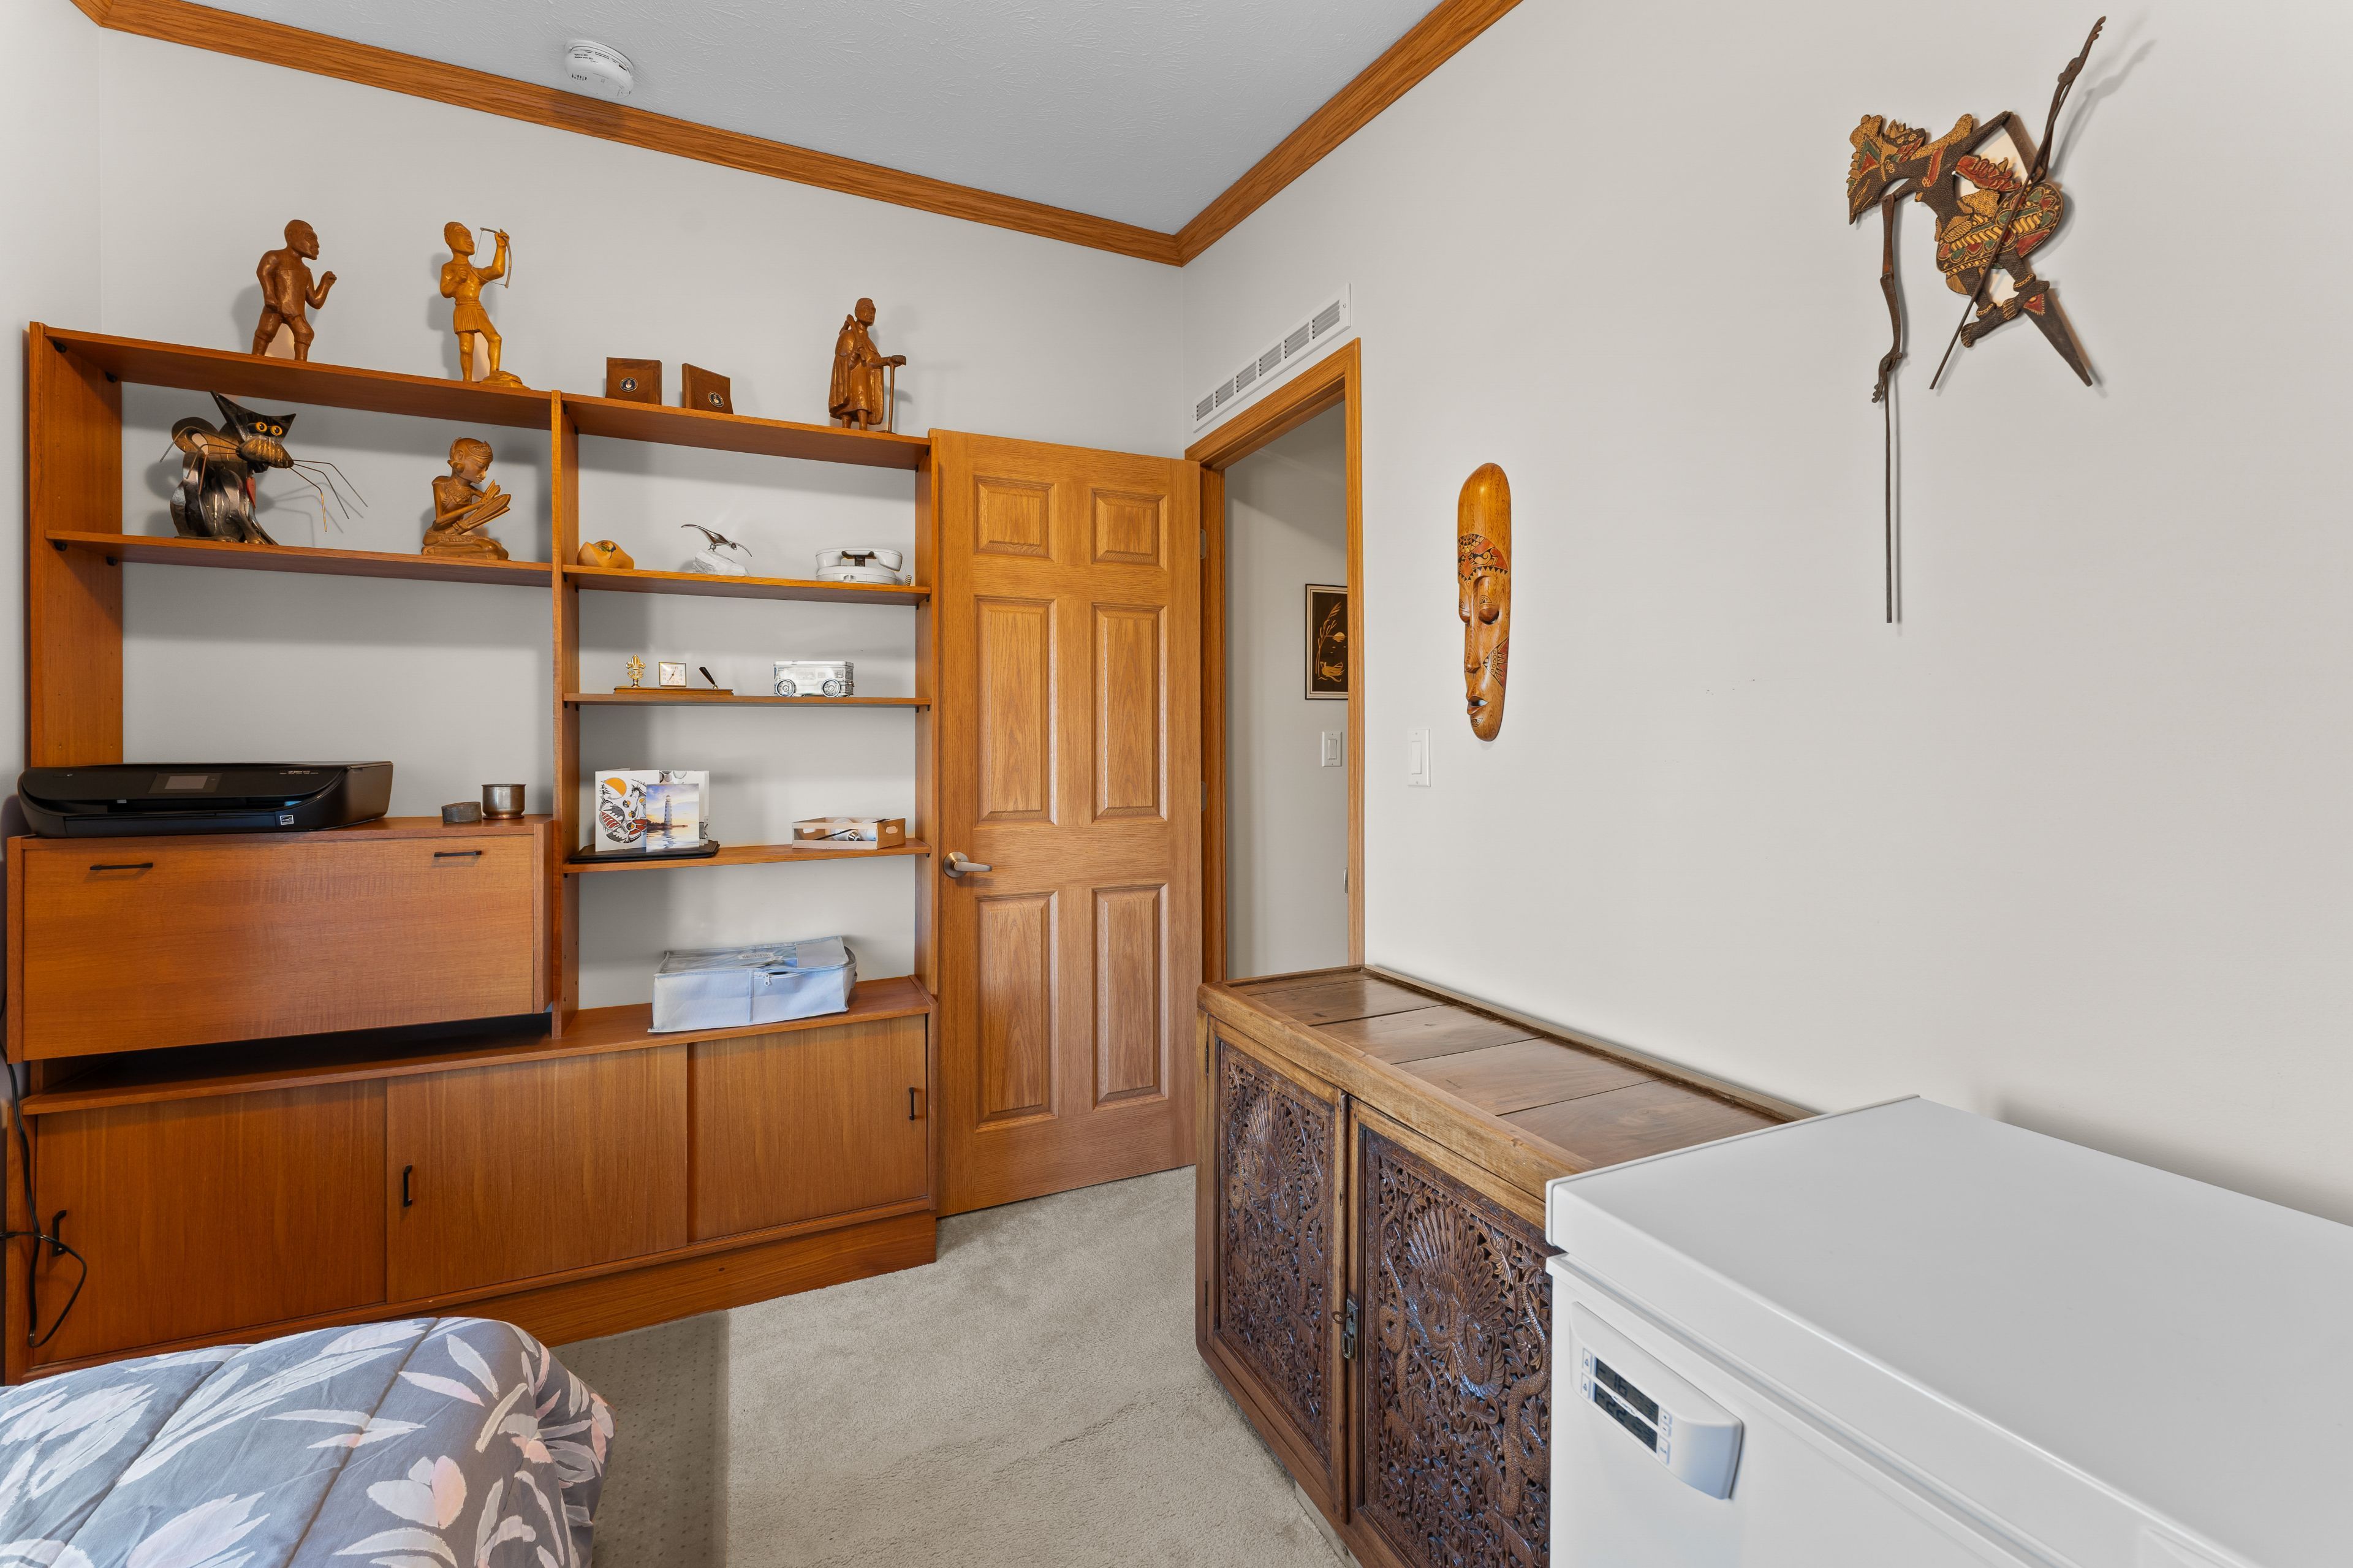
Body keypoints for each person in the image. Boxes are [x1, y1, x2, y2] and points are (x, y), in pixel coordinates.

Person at [439, 222, 521, 386]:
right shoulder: (448, 268)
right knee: (466, 348)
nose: (469, 239)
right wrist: (456, 279)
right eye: (462, 233)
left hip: (476, 308)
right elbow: (445, 291)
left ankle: (494, 374)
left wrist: (501, 248)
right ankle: (467, 381)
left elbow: (497, 271)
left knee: (495, 339)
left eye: (470, 235)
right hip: (462, 308)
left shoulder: (475, 272)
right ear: (449, 239)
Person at [251, 219, 335, 361]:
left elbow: (315, 302)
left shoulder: (305, 271)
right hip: (276, 307)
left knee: (305, 333)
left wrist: (326, 284)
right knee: (266, 331)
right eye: (310, 237)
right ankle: (254, 361)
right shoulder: (274, 256)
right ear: (291, 236)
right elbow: (264, 272)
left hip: (296, 313)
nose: (317, 245)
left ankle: (300, 366)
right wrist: (269, 294)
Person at [423, 437, 512, 559]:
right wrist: (478, 505)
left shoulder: (471, 490)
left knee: (502, 552)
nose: (484, 475)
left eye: (486, 469)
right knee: (489, 549)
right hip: (436, 537)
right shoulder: (440, 484)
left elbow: (489, 504)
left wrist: (491, 502)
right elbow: (439, 520)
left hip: (455, 533)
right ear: (459, 457)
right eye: (480, 466)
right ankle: (433, 550)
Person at [828, 297, 905, 430]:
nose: (871, 313)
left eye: (874, 311)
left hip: (864, 386)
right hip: (851, 386)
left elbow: (872, 362)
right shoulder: (847, 336)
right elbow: (844, 365)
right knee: (849, 413)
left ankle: (863, 432)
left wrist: (889, 360)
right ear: (856, 312)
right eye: (867, 309)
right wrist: (855, 352)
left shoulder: (869, 342)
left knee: (863, 407)